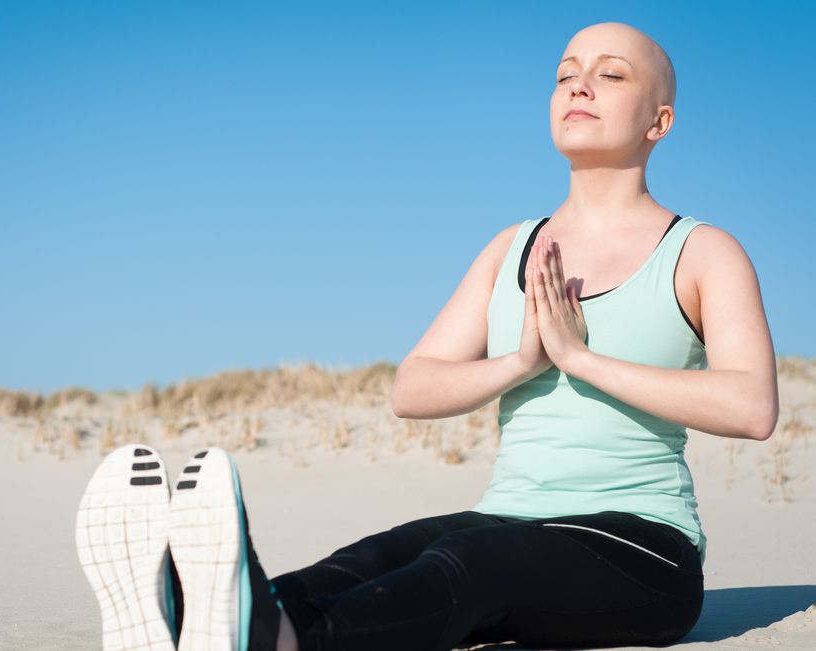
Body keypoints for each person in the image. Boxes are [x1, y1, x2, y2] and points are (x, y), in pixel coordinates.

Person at [74, 20, 779, 651]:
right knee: (378, 556)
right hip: (508, 515)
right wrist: (521, 361)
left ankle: (283, 639)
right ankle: (194, 616)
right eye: (565, 73)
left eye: (610, 73)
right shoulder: (512, 247)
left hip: (640, 550)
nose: (580, 85)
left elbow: (751, 407)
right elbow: (411, 389)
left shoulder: (701, 251)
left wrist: (580, 358)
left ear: (660, 122)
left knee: (467, 569)